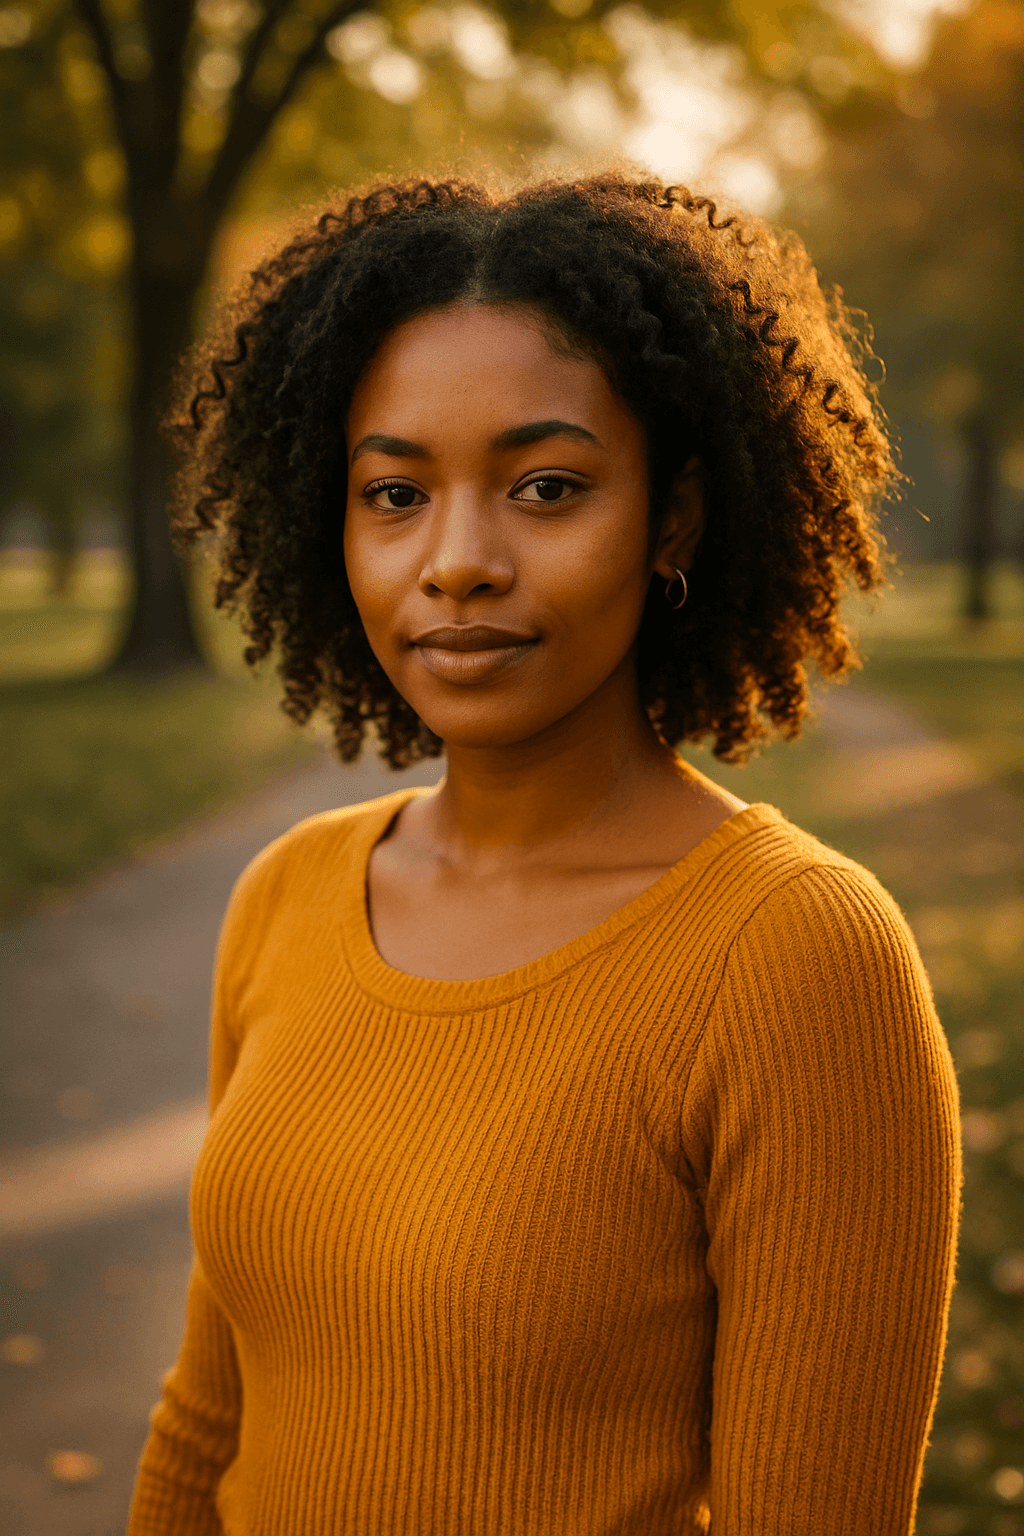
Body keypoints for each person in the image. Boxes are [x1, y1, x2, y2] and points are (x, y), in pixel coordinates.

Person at [128, 174, 961, 1536]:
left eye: (547, 487)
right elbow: (207, 1427)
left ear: (672, 518)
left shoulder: (798, 956)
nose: (456, 561)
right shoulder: (287, 894)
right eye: (394, 492)